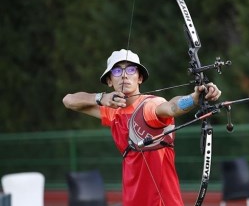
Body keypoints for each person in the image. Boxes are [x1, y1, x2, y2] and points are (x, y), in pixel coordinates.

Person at [62, 49, 222, 206]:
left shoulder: (150, 106)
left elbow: (172, 107)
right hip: (132, 200)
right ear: (109, 80)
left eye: (131, 70)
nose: (124, 75)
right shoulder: (112, 111)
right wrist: (100, 98)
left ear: (139, 78)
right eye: (117, 71)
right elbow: (68, 101)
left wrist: (194, 98)